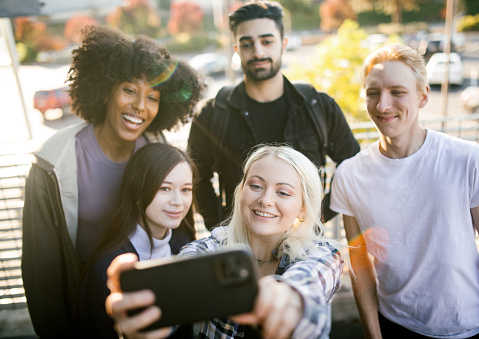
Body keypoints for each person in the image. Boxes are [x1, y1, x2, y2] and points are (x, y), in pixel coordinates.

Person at [21, 25, 204, 338]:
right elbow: (42, 270)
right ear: (106, 90)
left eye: (153, 97)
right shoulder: (55, 162)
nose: (140, 106)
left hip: (144, 290)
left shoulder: (157, 151)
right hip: (85, 297)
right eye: (130, 90)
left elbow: (180, 227)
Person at [330, 43, 479, 338]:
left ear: (423, 96)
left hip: (466, 327)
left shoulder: (468, 159)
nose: (383, 105)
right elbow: (360, 266)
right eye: (373, 93)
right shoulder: (349, 174)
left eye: (397, 92)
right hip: (394, 324)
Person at [105, 145, 347, 339]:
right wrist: (152, 314)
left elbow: (309, 283)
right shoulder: (212, 245)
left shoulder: (324, 253)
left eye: (282, 192)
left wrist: (290, 298)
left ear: (303, 209)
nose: (265, 200)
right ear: (241, 192)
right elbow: (188, 271)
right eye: (255, 186)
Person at [187, 0, 360, 230]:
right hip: (239, 249)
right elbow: (196, 178)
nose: (258, 52)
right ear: (237, 49)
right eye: (247, 44)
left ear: (283, 44)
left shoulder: (320, 107)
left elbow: (352, 166)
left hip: (304, 245)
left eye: (267, 41)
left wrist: (315, 217)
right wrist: (222, 226)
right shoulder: (211, 115)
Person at [78, 143, 196, 338]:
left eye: (186, 189)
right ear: (138, 194)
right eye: (165, 188)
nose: (178, 201)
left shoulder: (184, 246)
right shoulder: (107, 269)